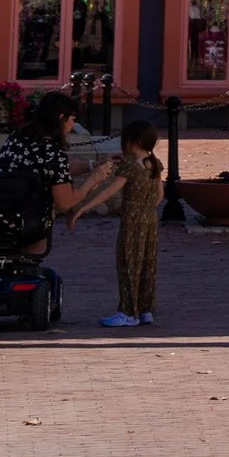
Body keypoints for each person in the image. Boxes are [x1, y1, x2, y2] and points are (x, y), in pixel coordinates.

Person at [0, 91, 111, 249]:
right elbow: (64, 203)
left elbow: (53, 170)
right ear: (61, 118)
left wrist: (91, 165)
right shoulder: (53, 152)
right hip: (26, 225)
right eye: (72, 120)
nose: (73, 126)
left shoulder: (18, 137)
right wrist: (92, 180)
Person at [66, 119, 165, 327]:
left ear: (133, 143)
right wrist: (147, 209)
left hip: (132, 222)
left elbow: (108, 192)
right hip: (149, 221)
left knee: (128, 264)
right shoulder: (153, 164)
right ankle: (145, 308)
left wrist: (83, 207)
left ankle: (128, 312)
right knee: (147, 264)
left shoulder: (130, 168)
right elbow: (159, 195)